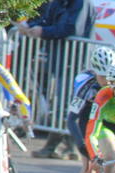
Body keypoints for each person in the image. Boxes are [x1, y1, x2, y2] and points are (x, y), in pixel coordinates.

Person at [18, 0, 94, 157]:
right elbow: (46, 20)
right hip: (59, 60)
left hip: (73, 62)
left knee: (65, 105)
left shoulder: (81, 3)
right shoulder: (59, 2)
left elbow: (72, 28)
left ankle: (61, 147)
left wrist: (44, 32)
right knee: (61, 104)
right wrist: (30, 26)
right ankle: (69, 147)